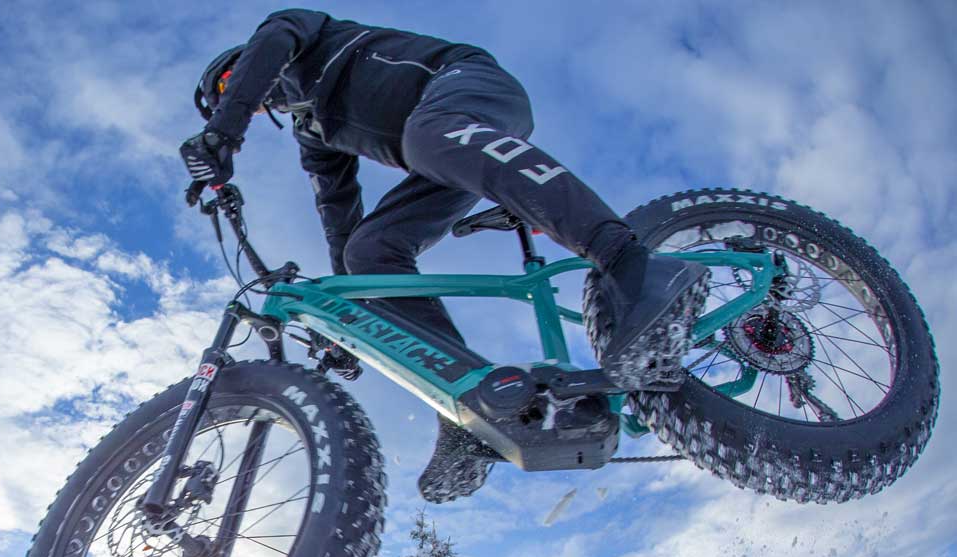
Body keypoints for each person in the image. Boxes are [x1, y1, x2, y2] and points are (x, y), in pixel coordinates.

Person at [180, 9, 709, 503]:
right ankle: (471, 406)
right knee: (371, 251)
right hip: (439, 149)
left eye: (235, 85)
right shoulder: (314, 133)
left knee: (429, 137)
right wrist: (351, 321)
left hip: (465, 87)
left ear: (247, 63)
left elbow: (274, 38)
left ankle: (628, 260)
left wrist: (225, 128)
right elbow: (338, 212)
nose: (254, 98)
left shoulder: (297, 35)